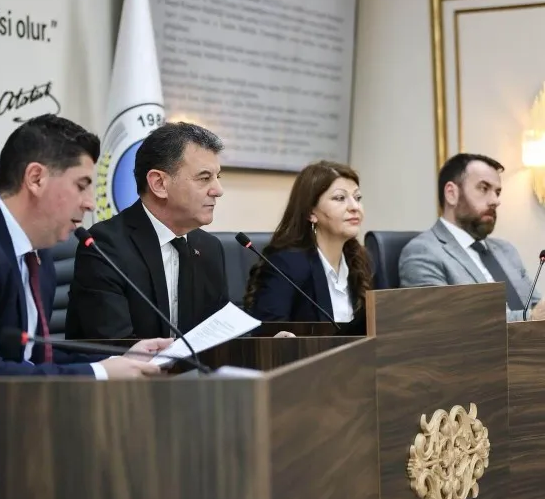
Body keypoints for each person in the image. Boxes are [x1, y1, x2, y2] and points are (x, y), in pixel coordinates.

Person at [0, 114, 171, 378]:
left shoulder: (37, 253)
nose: (90, 203)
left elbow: (36, 356)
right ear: (36, 178)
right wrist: (99, 372)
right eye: (81, 186)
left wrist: (119, 360)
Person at [65, 121, 229, 340]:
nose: (218, 190)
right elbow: (114, 344)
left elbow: (220, 334)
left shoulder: (209, 248)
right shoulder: (105, 247)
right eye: (205, 178)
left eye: (218, 177)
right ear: (159, 184)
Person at [399, 153, 543, 322]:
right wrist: (529, 317)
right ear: (451, 194)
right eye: (484, 188)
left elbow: (535, 306)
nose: (496, 201)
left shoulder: (506, 250)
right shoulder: (423, 252)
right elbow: (443, 323)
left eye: (497, 192)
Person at [243, 161, 373, 328]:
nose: (355, 207)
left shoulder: (361, 261)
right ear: (311, 212)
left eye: (357, 198)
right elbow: (268, 333)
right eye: (340, 198)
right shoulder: (286, 265)